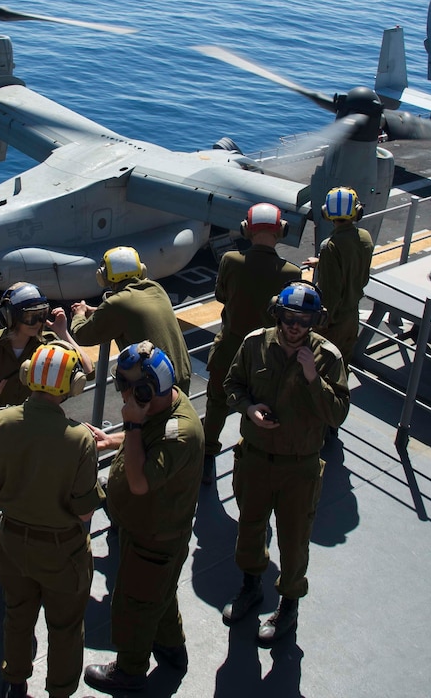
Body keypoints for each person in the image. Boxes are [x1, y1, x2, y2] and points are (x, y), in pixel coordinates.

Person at [0, 342, 105, 698]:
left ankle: (15, 682)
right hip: (62, 553)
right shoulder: (79, 439)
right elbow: (85, 512)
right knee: (64, 628)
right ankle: (59, 691)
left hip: (12, 544)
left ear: (29, 375)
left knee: (16, 617)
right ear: (73, 385)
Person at [220, 281, 350, 644]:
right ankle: (251, 587)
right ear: (278, 315)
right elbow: (232, 384)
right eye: (289, 318)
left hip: (300, 467)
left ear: (314, 321)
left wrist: (312, 379)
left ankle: (289, 605)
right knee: (249, 527)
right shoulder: (254, 344)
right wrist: (248, 408)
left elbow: (337, 414)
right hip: (256, 460)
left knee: (294, 541)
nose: (295, 327)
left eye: (304, 320)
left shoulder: (327, 358)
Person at [83, 342, 204, 693]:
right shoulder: (163, 409)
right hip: (147, 529)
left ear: (149, 389)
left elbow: (139, 482)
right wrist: (114, 440)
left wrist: (131, 426)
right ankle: (171, 648)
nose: (123, 394)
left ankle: (130, 671)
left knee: (134, 604)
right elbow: (148, 435)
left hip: (155, 535)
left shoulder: (179, 432)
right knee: (158, 595)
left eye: (129, 388)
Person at [202, 204, 302, 485]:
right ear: (281, 231)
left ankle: (207, 457)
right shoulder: (291, 273)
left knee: (217, 403)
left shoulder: (231, 261)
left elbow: (222, 296)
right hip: (265, 355)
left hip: (230, 348)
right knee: (260, 406)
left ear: (246, 229)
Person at [69, 246, 192, 394]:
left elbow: (82, 335)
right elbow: (131, 312)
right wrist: (98, 312)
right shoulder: (155, 288)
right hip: (181, 375)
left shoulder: (117, 304)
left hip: (154, 387)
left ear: (103, 276)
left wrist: (79, 314)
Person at [0, 281, 93, 417]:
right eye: (30, 317)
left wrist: (63, 333)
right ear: (10, 317)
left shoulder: (48, 344)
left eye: (42, 315)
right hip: (3, 422)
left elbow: (89, 372)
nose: (38, 322)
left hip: (40, 419)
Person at [302, 186, 374, 363]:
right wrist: (323, 262)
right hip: (352, 316)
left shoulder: (330, 246)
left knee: (322, 369)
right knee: (343, 364)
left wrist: (320, 324)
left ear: (327, 212)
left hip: (334, 322)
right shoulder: (365, 237)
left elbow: (330, 293)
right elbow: (353, 264)